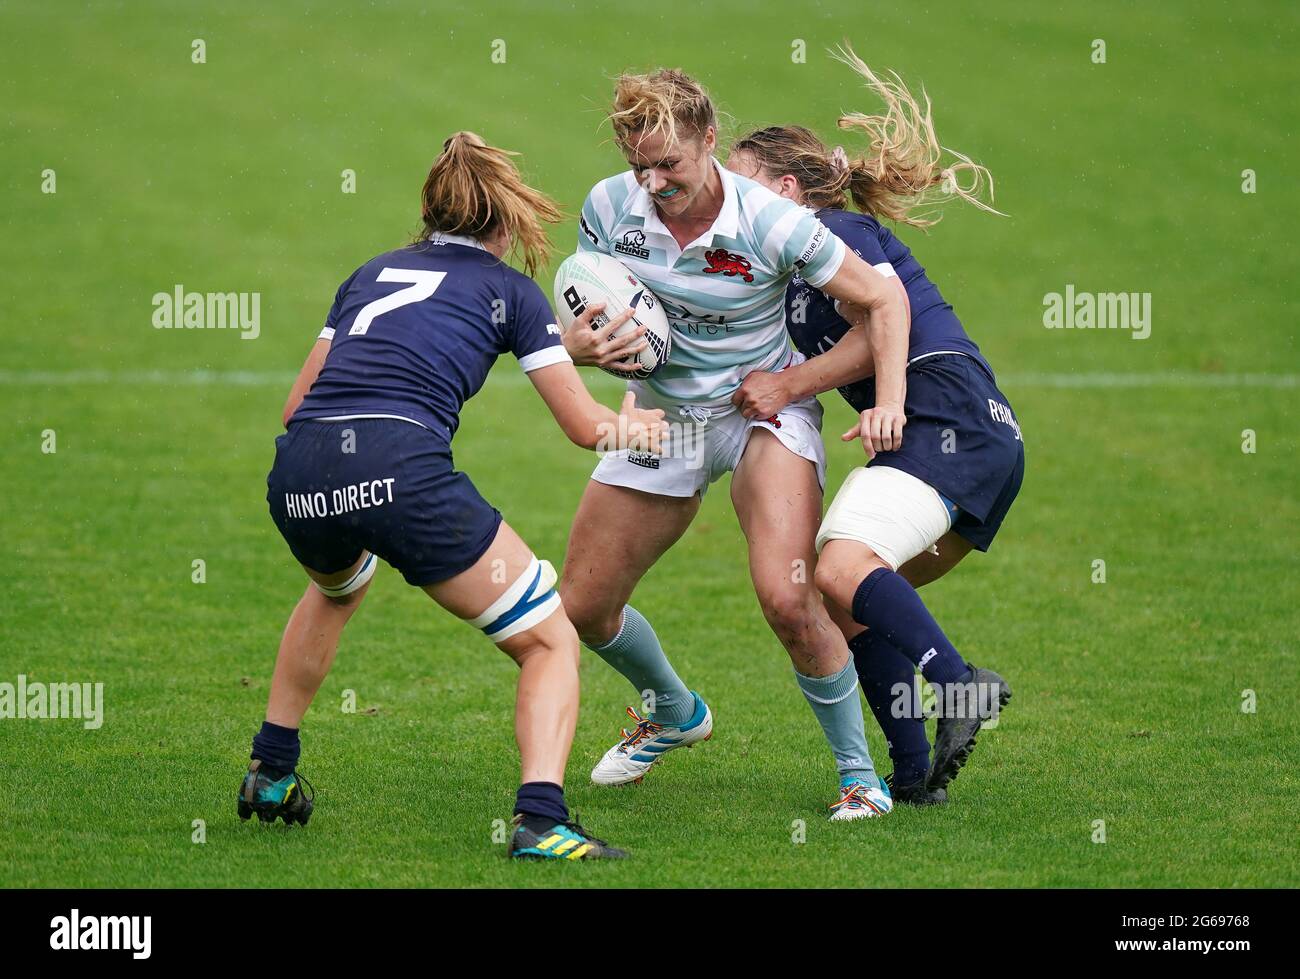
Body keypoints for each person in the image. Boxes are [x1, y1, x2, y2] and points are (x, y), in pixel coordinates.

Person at [238, 131, 667, 861]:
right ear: (505, 219)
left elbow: (295, 404)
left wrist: (556, 343)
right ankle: (542, 822)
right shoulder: (511, 291)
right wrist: (637, 431)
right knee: (548, 639)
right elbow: (582, 427)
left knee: (337, 589)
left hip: (301, 471)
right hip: (402, 471)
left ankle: (271, 770)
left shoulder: (371, 273)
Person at [560, 67, 913, 820]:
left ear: (709, 139)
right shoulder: (607, 206)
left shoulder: (772, 222)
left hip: (762, 413)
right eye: (639, 167)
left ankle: (860, 777)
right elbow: (601, 300)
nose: (653, 183)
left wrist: (879, 402)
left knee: (788, 594)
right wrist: (588, 353)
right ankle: (676, 710)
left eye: (669, 166)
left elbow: (881, 299)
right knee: (584, 605)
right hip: (664, 416)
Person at [727, 48, 1023, 803]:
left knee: (836, 567)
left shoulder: (833, 233)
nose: (732, 199)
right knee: (848, 591)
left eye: (744, 184)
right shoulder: (796, 260)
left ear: (786, 189)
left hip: (940, 413)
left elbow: (878, 317)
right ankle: (915, 773)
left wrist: (875, 400)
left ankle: (960, 685)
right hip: (978, 435)